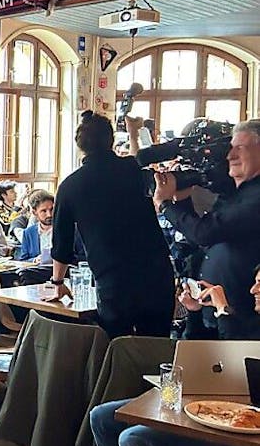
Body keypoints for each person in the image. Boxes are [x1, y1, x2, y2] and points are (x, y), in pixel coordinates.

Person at [85, 269, 260, 446]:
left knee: (132, 439)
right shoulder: (244, 315)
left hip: (232, 427)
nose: (252, 290)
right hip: (200, 405)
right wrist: (193, 313)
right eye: (253, 281)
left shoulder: (239, 320)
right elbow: (197, 352)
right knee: (102, 417)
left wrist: (222, 311)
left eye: (259, 284)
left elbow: (242, 359)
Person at [51, 112, 174, 339]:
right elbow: (136, 160)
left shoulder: (70, 186)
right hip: (157, 272)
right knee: (157, 346)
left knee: (117, 349)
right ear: (111, 141)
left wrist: (58, 282)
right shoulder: (132, 169)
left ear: (80, 145)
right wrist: (134, 134)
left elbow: (62, 243)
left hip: (114, 279)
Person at [153, 119, 260, 332]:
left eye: (240, 148)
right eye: (230, 149)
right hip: (211, 307)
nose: (230, 156)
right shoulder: (236, 193)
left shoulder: (256, 198)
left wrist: (164, 205)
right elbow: (204, 235)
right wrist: (181, 200)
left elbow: (205, 233)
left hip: (239, 315)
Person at [16, 189, 54, 262]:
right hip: (37, 271)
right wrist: (35, 260)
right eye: (44, 211)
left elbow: (80, 256)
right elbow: (23, 260)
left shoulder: (66, 229)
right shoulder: (28, 233)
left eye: (52, 209)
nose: (49, 214)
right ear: (34, 212)